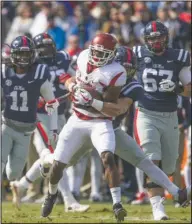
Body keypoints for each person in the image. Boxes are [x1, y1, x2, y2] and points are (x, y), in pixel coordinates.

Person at [40, 46, 191, 220]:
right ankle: (46, 158)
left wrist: (93, 102)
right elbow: (74, 80)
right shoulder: (101, 73)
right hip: (82, 125)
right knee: (62, 163)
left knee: (143, 160)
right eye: (122, 67)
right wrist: (73, 86)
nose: (125, 72)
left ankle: (177, 192)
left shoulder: (133, 85)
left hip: (109, 128)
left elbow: (119, 109)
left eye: (129, 68)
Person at [41, 33, 128, 222]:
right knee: (58, 164)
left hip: (100, 121)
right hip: (77, 119)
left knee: (107, 157)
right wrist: (72, 86)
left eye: (102, 53)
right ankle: (52, 194)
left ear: (113, 54)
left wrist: (92, 99)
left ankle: (117, 204)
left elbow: (111, 103)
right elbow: (70, 80)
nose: (97, 56)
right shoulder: (82, 56)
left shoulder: (117, 71)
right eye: (95, 51)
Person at [10, 33, 89, 212]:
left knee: (51, 157)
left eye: (48, 46)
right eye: (42, 48)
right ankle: (69, 201)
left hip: (60, 113)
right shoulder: (31, 65)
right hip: (40, 115)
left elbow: (74, 76)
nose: (46, 51)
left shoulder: (62, 58)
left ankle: (21, 185)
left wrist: (74, 85)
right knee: (55, 156)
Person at [133, 21, 191, 220]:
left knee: (168, 166)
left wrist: (175, 88)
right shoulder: (137, 55)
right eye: (152, 38)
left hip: (170, 115)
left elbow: (189, 88)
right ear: (146, 40)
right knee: (151, 159)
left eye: (159, 37)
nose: (156, 41)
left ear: (166, 37)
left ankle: (174, 191)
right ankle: (158, 208)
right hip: (146, 113)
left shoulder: (178, 57)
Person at [1, 35, 59, 181]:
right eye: (20, 53)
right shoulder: (4, 72)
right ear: (13, 54)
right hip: (6, 126)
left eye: (27, 54)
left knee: (13, 175)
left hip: (25, 131)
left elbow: (52, 103)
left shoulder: (39, 73)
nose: (23, 58)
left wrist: (53, 129)